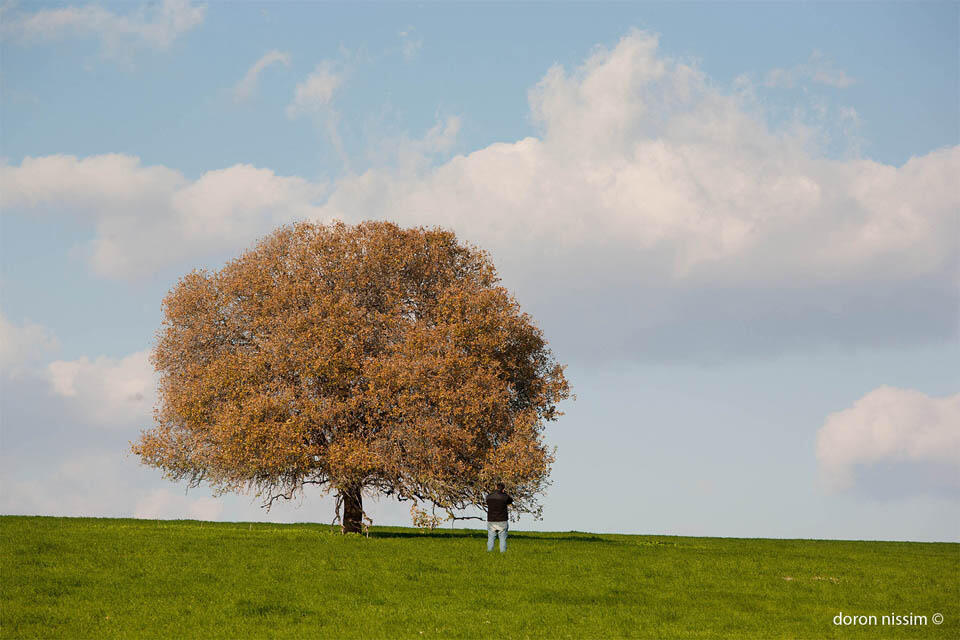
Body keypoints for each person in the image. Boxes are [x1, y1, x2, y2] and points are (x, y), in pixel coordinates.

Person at [485, 482, 513, 552]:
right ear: (503, 489)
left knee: (491, 538)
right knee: (503, 539)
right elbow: (510, 500)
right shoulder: (505, 496)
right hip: (502, 520)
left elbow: (487, 502)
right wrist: (504, 493)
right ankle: (503, 554)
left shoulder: (489, 496)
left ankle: (489, 552)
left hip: (491, 520)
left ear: (495, 487)